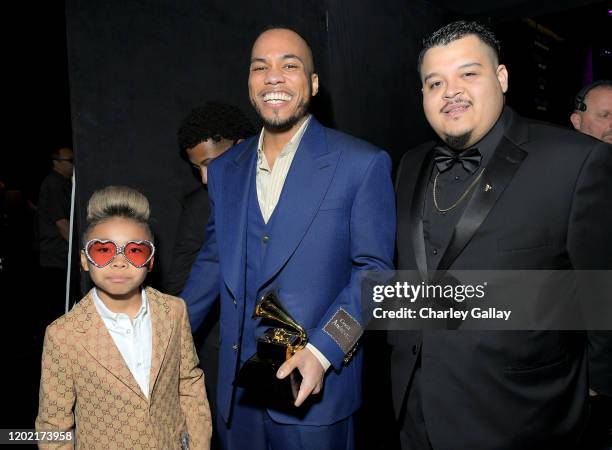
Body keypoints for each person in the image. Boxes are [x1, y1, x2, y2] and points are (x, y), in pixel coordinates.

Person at [391, 21, 612, 449]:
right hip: (416, 413)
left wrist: (596, 391)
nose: (450, 91)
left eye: (468, 74)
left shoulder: (576, 161)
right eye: (435, 82)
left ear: (502, 77)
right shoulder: (409, 165)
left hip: (523, 419)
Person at [181, 27, 395, 450]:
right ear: (250, 84)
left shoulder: (360, 163)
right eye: (261, 67)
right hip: (236, 397)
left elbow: (376, 276)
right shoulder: (224, 170)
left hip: (314, 393)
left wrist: (324, 351)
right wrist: (160, 341)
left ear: (313, 84)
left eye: (289, 65)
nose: (273, 76)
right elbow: (212, 264)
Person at [36, 186, 211, 449]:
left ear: (150, 261)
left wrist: (198, 444)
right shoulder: (63, 334)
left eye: (134, 251)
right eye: (103, 251)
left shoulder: (174, 311)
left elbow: (189, 381)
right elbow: (53, 425)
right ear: (85, 260)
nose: (119, 262)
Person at [168, 102, 255, 448]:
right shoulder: (200, 205)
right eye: (197, 169)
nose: (206, 178)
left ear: (240, 144)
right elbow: (186, 278)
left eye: (210, 164)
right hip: (220, 347)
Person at [37, 147, 74, 320]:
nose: (74, 164)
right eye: (70, 160)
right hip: (56, 257)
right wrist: (77, 250)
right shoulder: (54, 184)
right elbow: (62, 224)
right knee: (58, 308)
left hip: (60, 256)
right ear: (56, 162)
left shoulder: (63, 183)